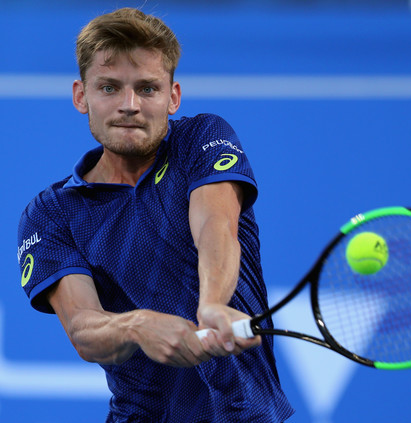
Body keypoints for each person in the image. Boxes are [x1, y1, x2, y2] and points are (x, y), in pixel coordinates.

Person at [17, 7, 294, 422]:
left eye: (147, 89)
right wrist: (137, 326)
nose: (129, 105)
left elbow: (216, 226)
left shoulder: (201, 138)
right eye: (109, 88)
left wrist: (213, 304)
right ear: (81, 96)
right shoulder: (52, 214)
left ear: (173, 97)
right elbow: (83, 330)